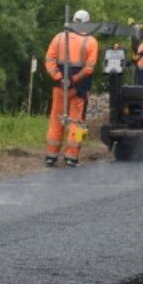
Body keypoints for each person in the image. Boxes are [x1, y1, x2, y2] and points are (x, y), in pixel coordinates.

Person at [44, 9, 100, 167]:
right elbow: (89, 68)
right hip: (79, 89)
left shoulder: (59, 37)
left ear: (73, 20)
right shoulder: (91, 41)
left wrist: (60, 78)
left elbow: (49, 61)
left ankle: (51, 155)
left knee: (56, 119)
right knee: (77, 121)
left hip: (59, 87)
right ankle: (71, 157)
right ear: (88, 23)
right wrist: (74, 80)